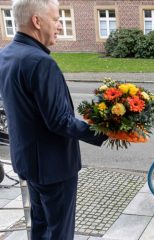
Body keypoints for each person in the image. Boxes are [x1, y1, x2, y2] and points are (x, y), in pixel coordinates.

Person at [0, 0, 108, 239]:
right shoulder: (41, 62)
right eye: (56, 19)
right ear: (37, 21)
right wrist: (105, 131)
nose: (60, 26)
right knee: (59, 231)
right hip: (53, 167)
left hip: (27, 161)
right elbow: (59, 120)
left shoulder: (5, 55)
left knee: (40, 227)